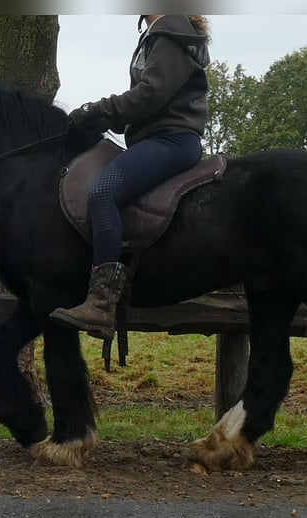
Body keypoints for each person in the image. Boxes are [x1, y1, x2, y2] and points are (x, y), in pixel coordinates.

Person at [49, 14, 211, 340]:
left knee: (103, 193)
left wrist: (97, 110)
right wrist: (106, 120)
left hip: (170, 140)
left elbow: (151, 93)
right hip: (158, 137)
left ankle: (101, 304)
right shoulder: (160, 33)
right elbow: (147, 99)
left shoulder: (169, 32)